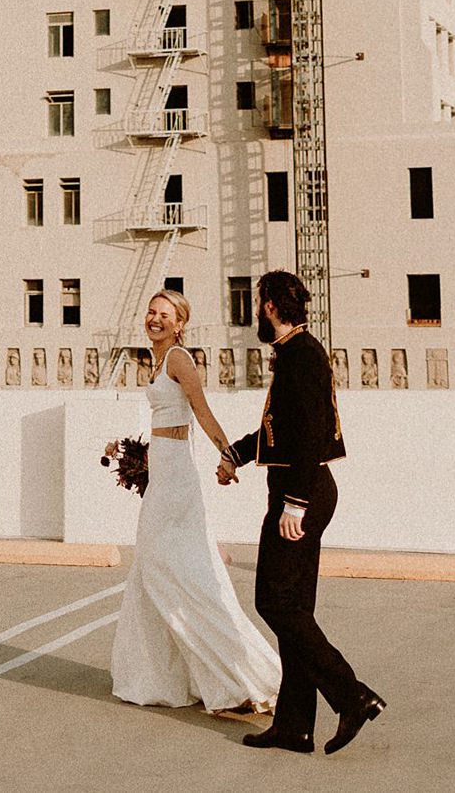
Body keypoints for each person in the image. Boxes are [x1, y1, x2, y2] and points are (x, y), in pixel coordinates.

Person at [217, 270, 386, 754]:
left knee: (275, 603)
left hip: (303, 493)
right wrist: (236, 453)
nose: (256, 312)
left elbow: (311, 437)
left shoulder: (303, 357)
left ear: (270, 304)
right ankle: (294, 726)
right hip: (299, 488)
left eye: (257, 303)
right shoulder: (294, 352)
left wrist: (296, 503)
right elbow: (280, 430)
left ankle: (351, 695)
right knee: (296, 610)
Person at [110, 290, 281, 716]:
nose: (154, 319)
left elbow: (201, 412)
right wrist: (137, 457)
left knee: (173, 571)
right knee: (154, 569)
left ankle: (241, 675)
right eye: (151, 311)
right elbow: (166, 419)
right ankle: (161, 676)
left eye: (163, 315)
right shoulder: (156, 359)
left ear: (179, 323)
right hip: (163, 468)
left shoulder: (179, 359)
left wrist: (228, 453)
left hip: (178, 480)